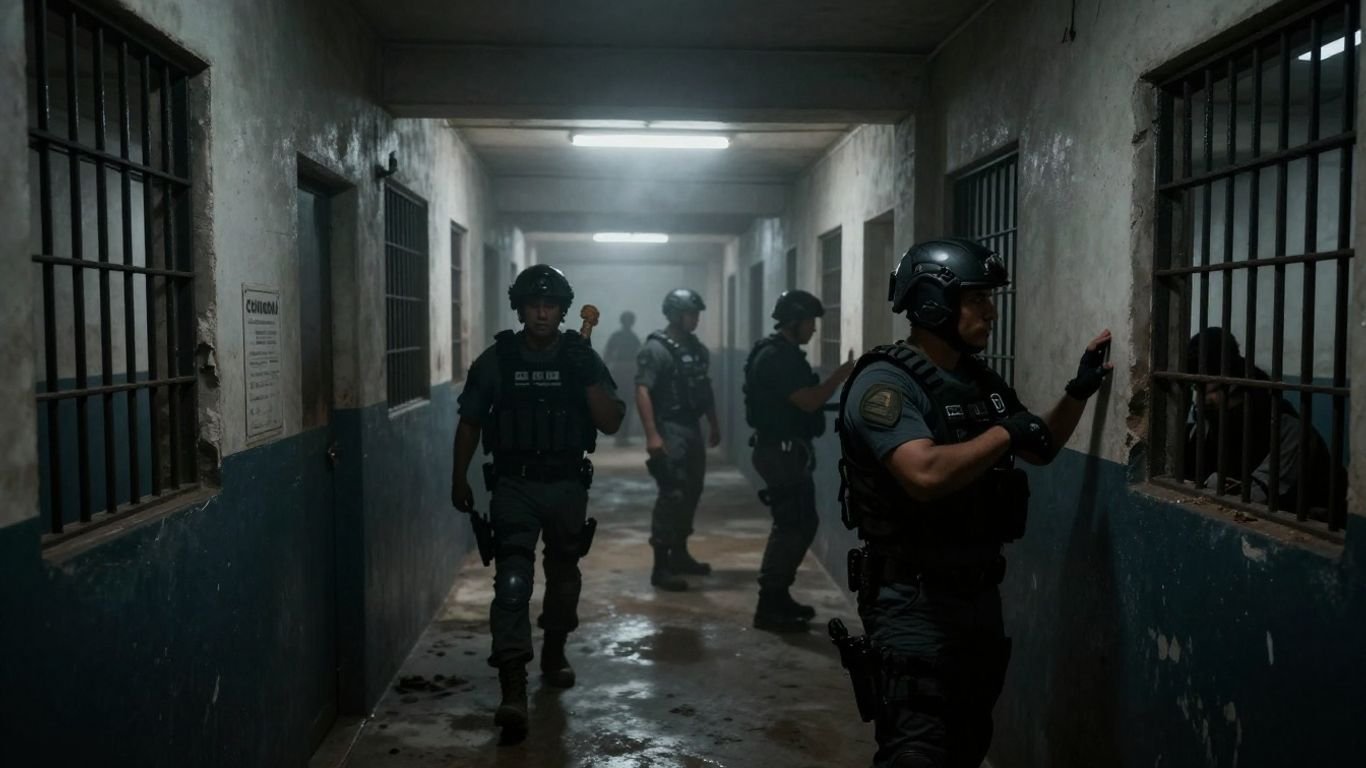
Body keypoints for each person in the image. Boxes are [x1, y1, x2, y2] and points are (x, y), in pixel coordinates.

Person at [835, 237, 1112, 768]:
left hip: (977, 593)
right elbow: (923, 473)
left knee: (966, 738)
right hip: (910, 599)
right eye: (977, 298)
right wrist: (1005, 435)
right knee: (918, 747)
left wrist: (1077, 392)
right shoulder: (885, 383)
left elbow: (1040, 445)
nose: (991, 311)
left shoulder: (978, 381)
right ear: (932, 303)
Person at [450, 264, 624, 736]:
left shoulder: (581, 356)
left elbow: (609, 423)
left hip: (567, 484)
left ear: (564, 310)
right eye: (533, 305)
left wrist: (588, 377)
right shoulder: (498, 359)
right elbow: (470, 421)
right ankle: (512, 689)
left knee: (564, 575)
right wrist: (458, 477)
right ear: (521, 308)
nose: (542, 313)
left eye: (550, 305)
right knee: (511, 581)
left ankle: (554, 649)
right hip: (514, 484)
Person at [743, 289, 855, 631]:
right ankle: (770, 604)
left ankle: (777, 597)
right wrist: (841, 374)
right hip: (781, 453)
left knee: (797, 522)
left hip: (784, 450)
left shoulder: (782, 352)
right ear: (794, 322)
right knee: (794, 524)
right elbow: (807, 401)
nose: (814, 329)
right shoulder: (778, 357)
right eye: (810, 322)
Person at [1183, 326, 1345, 519]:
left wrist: (1211, 486)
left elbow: (1255, 499)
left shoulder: (1290, 432)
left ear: (1233, 383)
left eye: (1205, 389)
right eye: (1195, 387)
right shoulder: (1210, 418)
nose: (1198, 399)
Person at [635, 288, 720, 591]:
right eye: (691, 314)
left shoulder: (696, 348)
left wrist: (713, 422)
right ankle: (661, 566)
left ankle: (680, 553)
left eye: (697, 314)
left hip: (691, 427)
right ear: (674, 315)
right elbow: (643, 390)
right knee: (672, 494)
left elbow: (703, 386)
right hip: (669, 427)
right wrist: (652, 434)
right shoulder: (656, 349)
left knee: (693, 490)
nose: (695, 320)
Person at [604, 311, 643, 445]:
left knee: (626, 405)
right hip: (622, 372)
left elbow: (607, 355)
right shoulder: (628, 337)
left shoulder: (630, 337)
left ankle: (622, 435)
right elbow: (607, 355)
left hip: (625, 372)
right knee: (622, 404)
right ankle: (620, 435)